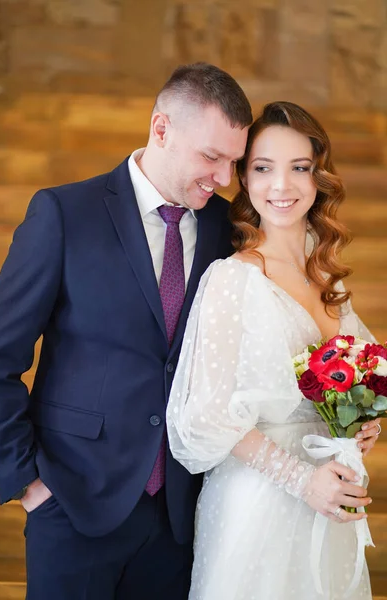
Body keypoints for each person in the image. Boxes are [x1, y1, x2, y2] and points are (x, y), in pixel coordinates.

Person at [0, 63, 252, 600]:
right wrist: (26, 482)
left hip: (183, 520)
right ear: (161, 129)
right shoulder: (64, 213)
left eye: (234, 161)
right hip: (73, 503)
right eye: (211, 156)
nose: (224, 178)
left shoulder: (229, 230)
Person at [167, 101, 381, 600]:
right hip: (260, 501)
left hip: (331, 498)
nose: (281, 186)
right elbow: (206, 416)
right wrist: (302, 480)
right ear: (244, 178)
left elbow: (361, 371)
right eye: (263, 169)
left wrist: (359, 421)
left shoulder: (325, 271)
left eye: (299, 168)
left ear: (318, 177)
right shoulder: (231, 278)